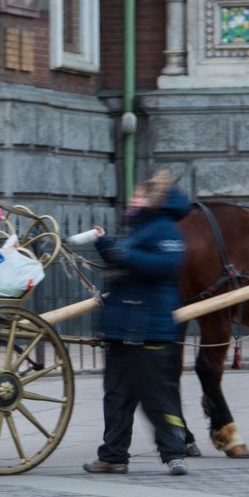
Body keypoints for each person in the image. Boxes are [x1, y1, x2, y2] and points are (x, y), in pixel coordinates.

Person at [83, 170, 193, 476]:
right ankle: (113, 456)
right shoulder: (140, 229)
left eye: (140, 195)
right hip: (122, 328)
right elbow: (125, 258)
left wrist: (122, 253)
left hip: (151, 329)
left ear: (155, 200)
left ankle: (174, 453)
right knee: (117, 397)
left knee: (158, 397)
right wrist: (105, 244)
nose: (134, 199)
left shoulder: (166, 230)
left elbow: (165, 266)